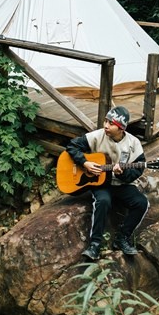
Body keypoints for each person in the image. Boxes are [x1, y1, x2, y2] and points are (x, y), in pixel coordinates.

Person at [65, 105, 149, 261]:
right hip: (101, 183)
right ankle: (95, 244)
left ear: (121, 128)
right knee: (103, 201)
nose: (105, 126)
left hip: (122, 184)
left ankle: (122, 238)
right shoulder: (97, 135)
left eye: (111, 124)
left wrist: (123, 173)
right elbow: (72, 146)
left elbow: (137, 171)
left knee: (141, 203)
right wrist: (85, 163)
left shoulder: (134, 143)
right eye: (106, 121)